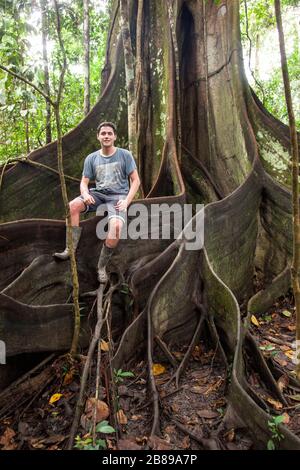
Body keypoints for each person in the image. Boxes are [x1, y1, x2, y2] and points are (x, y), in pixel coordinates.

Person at [54, 121, 140, 283]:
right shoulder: (91, 158)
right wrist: (85, 194)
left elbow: (135, 181)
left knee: (116, 227)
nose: (106, 136)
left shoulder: (124, 155)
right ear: (98, 136)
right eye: (103, 133)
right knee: (72, 206)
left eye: (109, 133)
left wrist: (127, 201)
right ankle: (70, 249)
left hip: (118, 197)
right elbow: (83, 182)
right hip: (98, 195)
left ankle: (101, 266)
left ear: (114, 136)